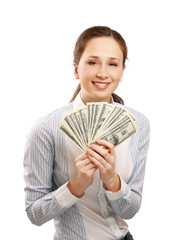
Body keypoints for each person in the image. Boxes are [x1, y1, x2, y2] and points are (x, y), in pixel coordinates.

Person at [24, 26, 150, 240]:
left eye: (113, 64)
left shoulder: (139, 125)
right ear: (76, 69)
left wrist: (112, 180)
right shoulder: (47, 127)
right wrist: (77, 184)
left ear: (121, 72)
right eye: (93, 62)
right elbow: (35, 214)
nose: (103, 73)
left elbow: (130, 210)